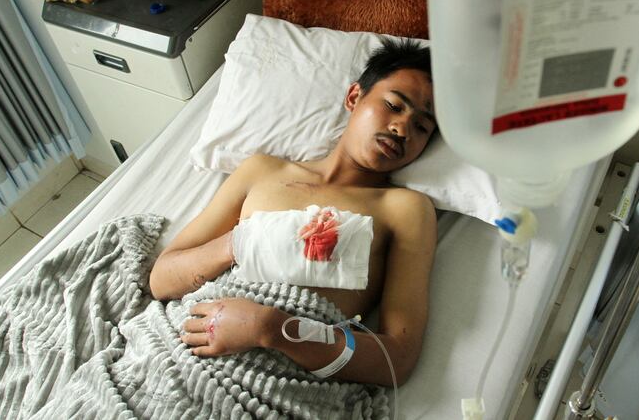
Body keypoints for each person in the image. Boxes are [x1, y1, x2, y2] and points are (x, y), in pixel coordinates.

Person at [149, 38, 438, 387]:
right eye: (394, 105)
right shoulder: (262, 172)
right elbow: (162, 280)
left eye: (422, 127)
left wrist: (271, 329)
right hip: (182, 348)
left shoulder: (405, 209)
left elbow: (398, 360)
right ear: (354, 97)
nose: (402, 128)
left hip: (280, 380)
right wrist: (243, 243)